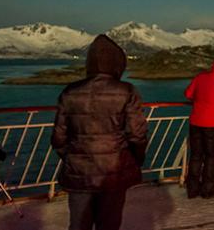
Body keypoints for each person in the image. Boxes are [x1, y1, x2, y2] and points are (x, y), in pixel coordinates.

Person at [51, 35, 148, 230]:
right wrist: (135, 160)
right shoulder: (127, 91)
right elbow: (137, 135)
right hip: (114, 170)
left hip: (80, 172)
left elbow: (58, 138)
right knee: (109, 224)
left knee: (78, 224)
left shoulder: (70, 92)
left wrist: (73, 157)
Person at [184, 54, 214, 199]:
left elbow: (188, 94)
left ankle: (192, 189)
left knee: (195, 156)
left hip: (195, 122)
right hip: (211, 124)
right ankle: (207, 190)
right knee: (210, 157)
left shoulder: (201, 77)